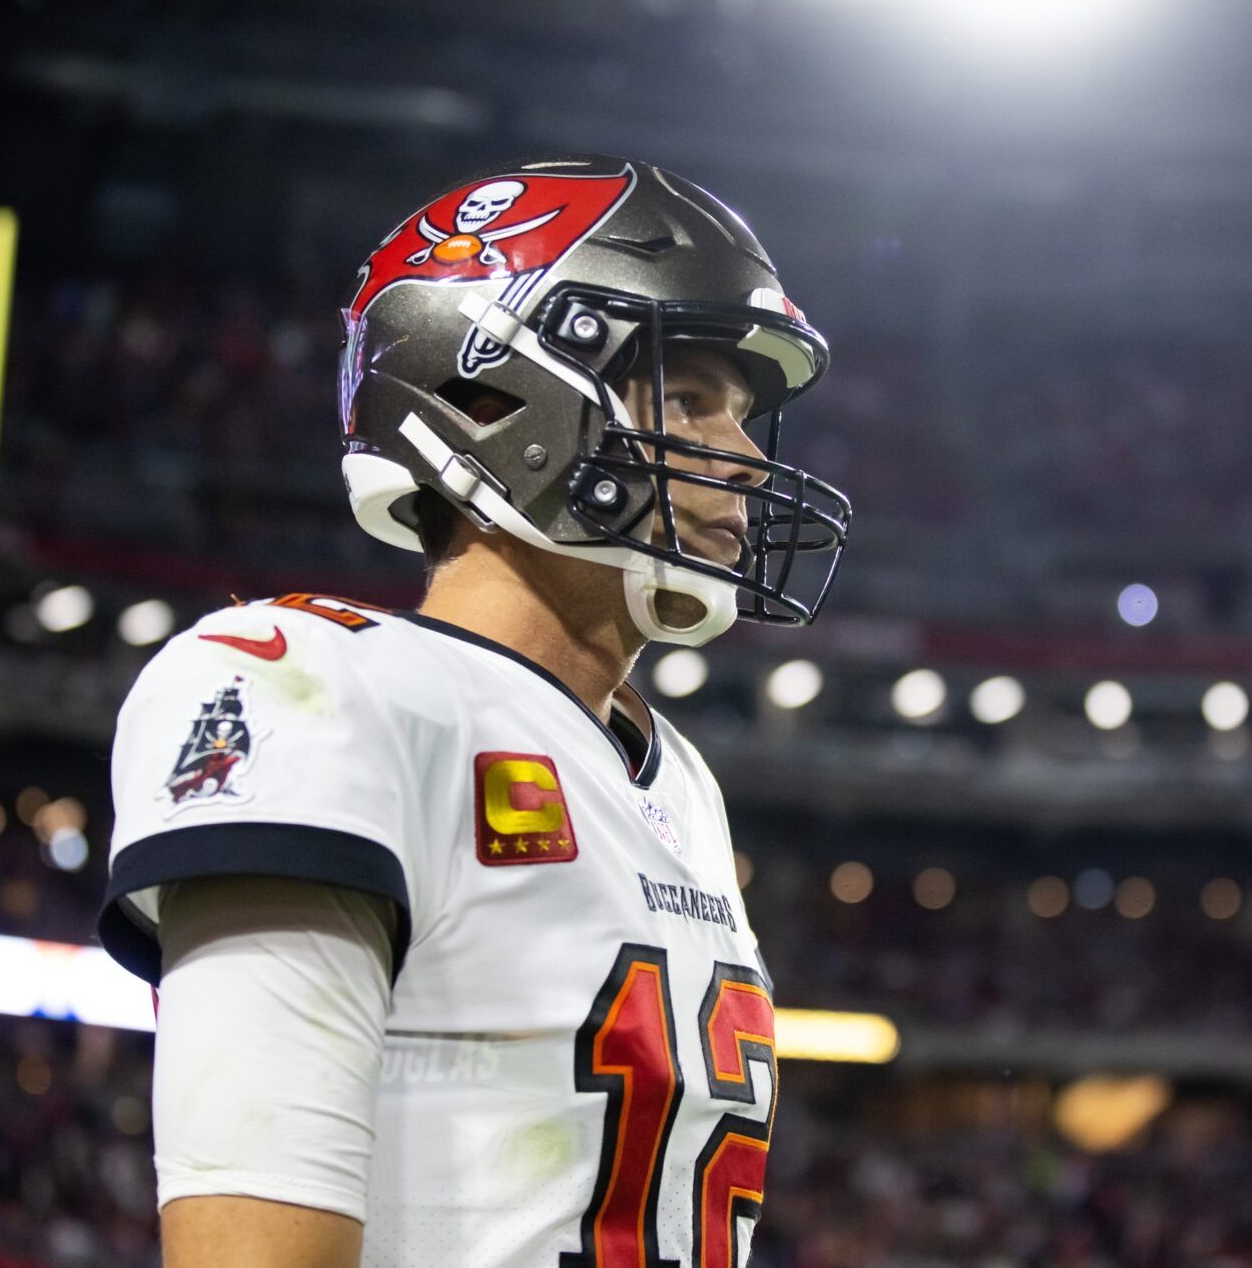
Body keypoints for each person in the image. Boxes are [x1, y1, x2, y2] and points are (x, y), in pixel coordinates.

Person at [98, 154, 850, 1268]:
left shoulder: (676, 779)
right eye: (689, 396)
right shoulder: (313, 684)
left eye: (741, 413)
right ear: (494, 397)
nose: (742, 455)